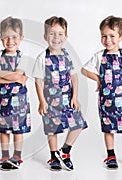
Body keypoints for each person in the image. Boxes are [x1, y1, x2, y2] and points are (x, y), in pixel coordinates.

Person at [81, 15, 122, 170]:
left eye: (112, 36)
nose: (108, 40)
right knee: (108, 129)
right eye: (104, 36)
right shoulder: (99, 56)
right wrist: (98, 79)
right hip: (106, 101)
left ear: (121, 37)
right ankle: (111, 155)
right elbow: (84, 70)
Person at [32, 16, 87, 171]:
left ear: (66, 37)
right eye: (52, 33)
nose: (56, 37)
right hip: (50, 102)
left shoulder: (67, 56)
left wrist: (75, 96)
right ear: (45, 37)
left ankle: (65, 151)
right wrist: (42, 101)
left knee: (78, 124)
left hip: (67, 100)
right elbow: (38, 81)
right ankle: (53, 156)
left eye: (60, 34)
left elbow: (74, 77)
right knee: (52, 129)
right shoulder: (42, 58)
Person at [0, 16, 31, 171]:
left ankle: (17, 155)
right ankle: (5, 154)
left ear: (21, 38)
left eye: (14, 37)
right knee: (4, 129)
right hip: (3, 100)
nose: (10, 41)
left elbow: (13, 75)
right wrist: (14, 78)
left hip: (20, 101)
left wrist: (0, 74)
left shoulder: (23, 57)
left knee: (18, 129)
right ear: (1, 38)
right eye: (6, 37)